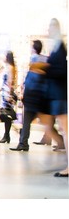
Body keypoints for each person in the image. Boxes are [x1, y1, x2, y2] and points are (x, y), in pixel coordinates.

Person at [10, 40, 64, 151]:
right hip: (40, 99)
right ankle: (60, 141)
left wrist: (25, 94)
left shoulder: (34, 62)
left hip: (33, 99)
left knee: (29, 122)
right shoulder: (46, 62)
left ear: (33, 49)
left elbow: (30, 83)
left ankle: (24, 143)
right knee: (44, 124)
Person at [37, 18, 68, 177]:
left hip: (60, 94)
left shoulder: (60, 47)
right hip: (57, 94)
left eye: (50, 27)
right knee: (63, 129)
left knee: (65, 130)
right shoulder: (57, 47)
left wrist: (46, 68)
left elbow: (61, 71)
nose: (48, 31)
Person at [0, 51, 17, 144]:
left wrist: (8, 95)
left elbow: (9, 82)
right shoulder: (8, 67)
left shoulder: (10, 68)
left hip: (7, 95)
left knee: (6, 115)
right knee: (6, 115)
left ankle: (7, 135)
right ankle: (6, 135)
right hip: (5, 93)